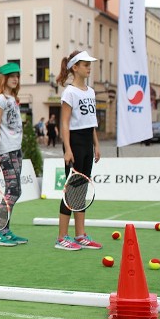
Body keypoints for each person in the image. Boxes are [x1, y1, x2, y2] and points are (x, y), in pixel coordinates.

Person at [54, 51, 103, 251]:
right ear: (75, 67)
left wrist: (97, 145)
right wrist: (67, 149)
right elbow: (64, 123)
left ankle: (80, 235)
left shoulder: (90, 92)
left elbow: (91, 123)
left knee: (82, 190)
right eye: (85, 64)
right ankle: (61, 237)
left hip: (87, 143)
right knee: (71, 191)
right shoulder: (70, 92)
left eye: (89, 64)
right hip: (73, 142)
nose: (89, 68)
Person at [0, 62, 26, 247]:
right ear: (4, 78)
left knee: (14, 190)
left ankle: (5, 230)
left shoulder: (13, 99)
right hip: (5, 151)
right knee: (14, 190)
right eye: (11, 76)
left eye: (17, 75)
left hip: (16, 149)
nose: (15, 79)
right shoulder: (0, 100)